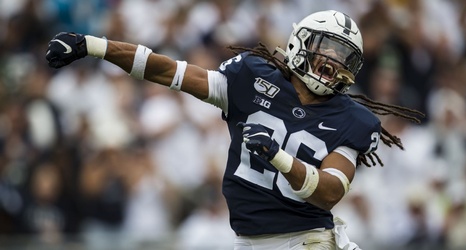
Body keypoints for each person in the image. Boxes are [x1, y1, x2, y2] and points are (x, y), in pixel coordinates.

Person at [46, 10, 423, 250]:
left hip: (307, 241)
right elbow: (168, 70)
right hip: (249, 240)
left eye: (344, 58)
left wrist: (278, 156)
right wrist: (94, 45)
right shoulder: (248, 78)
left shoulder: (352, 119)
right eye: (327, 49)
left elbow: (329, 192)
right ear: (300, 42)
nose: (331, 63)